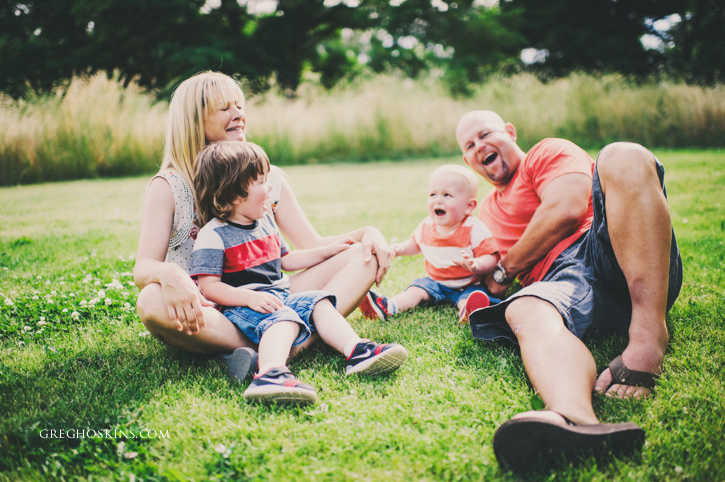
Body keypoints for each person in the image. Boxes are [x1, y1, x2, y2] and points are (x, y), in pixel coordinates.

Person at [455, 110, 683, 473]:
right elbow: (479, 271)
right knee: (524, 308)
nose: (480, 146)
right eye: (469, 145)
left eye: (485, 134)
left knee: (622, 154)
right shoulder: (486, 212)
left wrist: (505, 268)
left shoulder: (544, 154)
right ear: (467, 160)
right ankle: (575, 419)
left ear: (510, 132)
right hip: (561, 284)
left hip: (609, 249)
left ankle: (647, 340)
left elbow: (567, 209)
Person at [133, 71, 394, 384]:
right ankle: (283, 343)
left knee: (363, 255)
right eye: (224, 108)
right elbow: (143, 267)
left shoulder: (268, 180)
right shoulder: (169, 186)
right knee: (150, 300)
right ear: (193, 121)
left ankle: (263, 353)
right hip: (216, 311)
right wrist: (170, 275)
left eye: (240, 106)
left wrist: (367, 233)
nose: (238, 115)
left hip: (271, 297)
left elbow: (310, 245)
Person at [191, 141, 407, 404]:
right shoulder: (212, 235)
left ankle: (357, 351)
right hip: (241, 307)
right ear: (235, 194)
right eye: (261, 181)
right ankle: (269, 373)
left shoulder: (264, 223)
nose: (270, 187)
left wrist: (327, 251)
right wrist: (248, 299)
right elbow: (209, 287)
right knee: (284, 318)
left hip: (278, 296)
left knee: (319, 302)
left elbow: (287, 259)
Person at [359, 165, 500, 323]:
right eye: (433, 194)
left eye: (447, 195)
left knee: (469, 298)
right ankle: (388, 307)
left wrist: (477, 264)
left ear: (469, 206)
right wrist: (400, 249)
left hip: (468, 284)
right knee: (416, 289)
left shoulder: (474, 228)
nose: (438, 200)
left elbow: (492, 256)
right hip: (435, 282)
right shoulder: (427, 225)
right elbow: (416, 244)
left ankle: (471, 312)